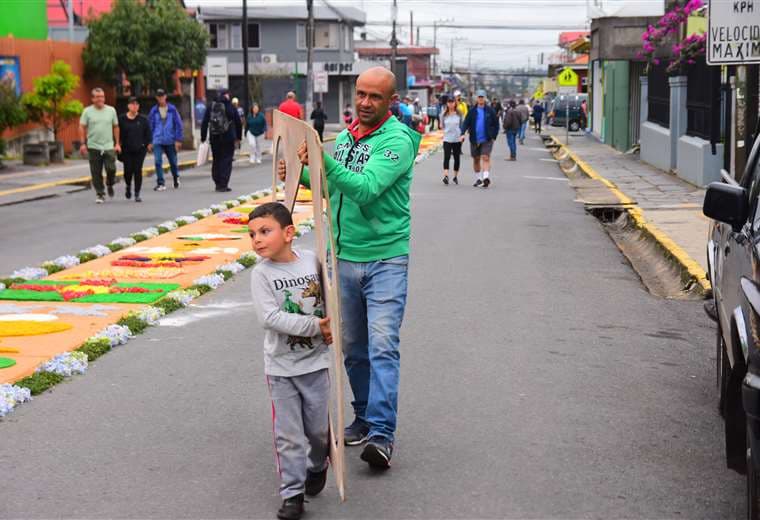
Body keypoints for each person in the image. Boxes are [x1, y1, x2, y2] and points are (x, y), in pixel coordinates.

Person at [278, 66, 421, 469]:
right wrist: (301, 174)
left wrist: (322, 159)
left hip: (385, 259)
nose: (364, 102)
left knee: (382, 346)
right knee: (353, 349)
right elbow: (332, 184)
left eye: (375, 96)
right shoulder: (345, 138)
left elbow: (364, 188)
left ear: (391, 101)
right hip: (342, 257)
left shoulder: (397, 141)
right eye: (360, 94)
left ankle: (381, 434)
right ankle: (362, 417)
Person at [249, 202, 333, 520]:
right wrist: (315, 326)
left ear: (288, 233)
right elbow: (269, 317)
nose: (257, 239)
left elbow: (330, 299)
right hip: (281, 367)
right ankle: (292, 494)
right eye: (252, 234)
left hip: (315, 364)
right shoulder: (261, 274)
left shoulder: (313, 261)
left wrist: (332, 327)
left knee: (317, 432)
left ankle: (317, 464)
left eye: (265, 231)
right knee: (288, 434)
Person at [79, 87, 120, 204]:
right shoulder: (87, 111)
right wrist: (83, 144)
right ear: (92, 99)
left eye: (102, 96)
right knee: (96, 172)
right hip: (93, 146)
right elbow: (81, 127)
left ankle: (110, 183)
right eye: (97, 97)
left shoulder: (111, 110)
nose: (100, 99)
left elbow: (116, 126)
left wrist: (117, 143)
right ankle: (100, 193)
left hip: (108, 146)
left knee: (111, 168)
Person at [201, 88, 242, 192]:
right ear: (227, 95)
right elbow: (238, 122)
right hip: (228, 138)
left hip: (214, 138)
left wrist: (203, 137)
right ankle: (223, 184)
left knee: (216, 160)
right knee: (227, 160)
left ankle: (217, 183)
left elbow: (205, 122)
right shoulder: (230, 106)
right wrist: (238, 137)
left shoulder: (211, 106)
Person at [461, 89, 498, 188]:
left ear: (485, 98)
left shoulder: (490, 111)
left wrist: (494, 136)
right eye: (479, 97)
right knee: (476, 159)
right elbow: (466, 123)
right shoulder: (472, 111)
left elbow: (496, 124)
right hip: (474, 139)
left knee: (485, 157)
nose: (481, 99)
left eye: (482, 97)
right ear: (476, 98)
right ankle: (479, 178)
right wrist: (462, 133)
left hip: (487, 138)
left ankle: (486, 177)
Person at [148, 88, 184, 191]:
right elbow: (150, 126)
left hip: (170, 139)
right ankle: (160, 182)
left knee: (173, 161)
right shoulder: (153, 111)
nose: (161, 98)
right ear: (156, 98)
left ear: (165, 97)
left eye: (162, 96)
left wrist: (178, 140)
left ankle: (176, 177)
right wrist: (149, 141)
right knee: (158, 161)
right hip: (157, 139)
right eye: (159, 96)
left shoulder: (172, 109)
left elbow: (178, 125)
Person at [118, 96, 151, 202]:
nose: (134, 106)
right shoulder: (122, 119)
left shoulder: (143, 119)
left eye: (136, 104)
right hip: (126, 149)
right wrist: (117, 144)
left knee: (138, 170)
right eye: (132, 104)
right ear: (128, 106)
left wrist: (148, 144)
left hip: (140, 149)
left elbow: (148, 133)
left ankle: (137, 193)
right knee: (128, 170)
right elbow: (117, 133)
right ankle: (128, 186)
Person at [440, 96, 464, 185]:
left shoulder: (459, 114)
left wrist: (462, 135)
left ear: (455, 103)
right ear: (447, 103)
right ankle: (446, 176)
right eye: (449, 102)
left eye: (452, 102)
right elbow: (441, 125)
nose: (450, 104)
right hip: (447, 139)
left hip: (457, 139)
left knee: (457, 158)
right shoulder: (443, 114)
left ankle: (455, 176)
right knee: (446, 157)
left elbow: (462, 126)